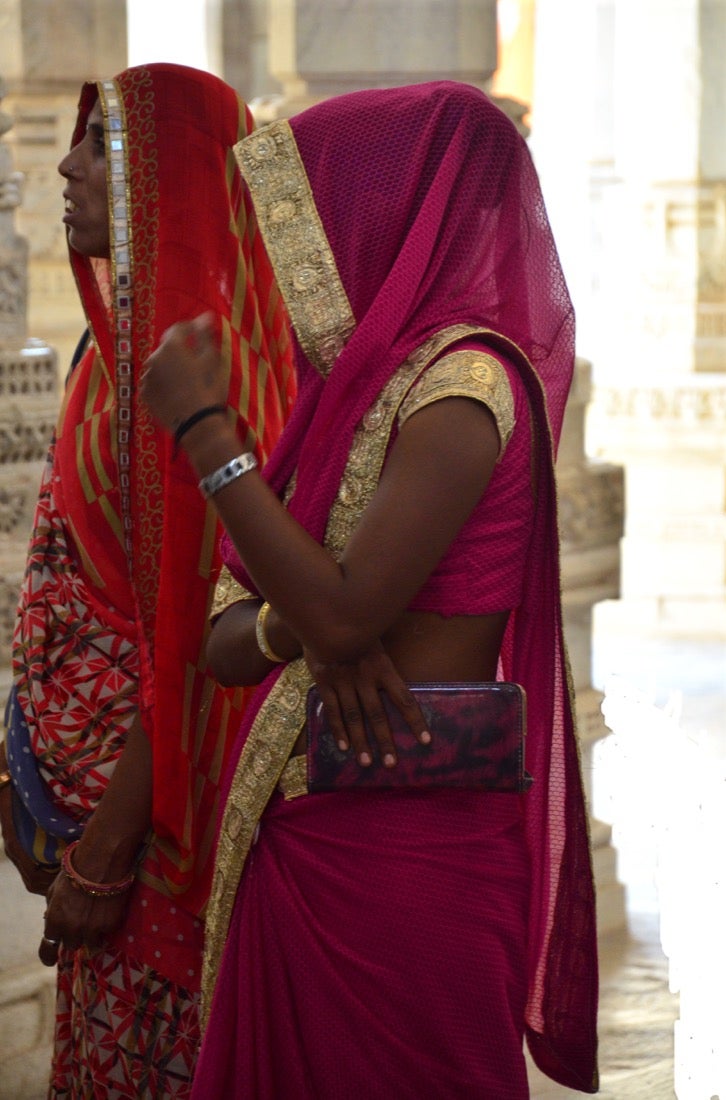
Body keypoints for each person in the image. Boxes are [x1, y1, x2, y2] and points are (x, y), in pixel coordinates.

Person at [141, 81, 599, 1098]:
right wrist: (295, 626)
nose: (294, 261)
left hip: (403, 856)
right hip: (307, 831)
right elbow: (226, 641)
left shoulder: (463, 390)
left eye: (315, 219)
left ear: (388, 215)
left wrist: (208, 435)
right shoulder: (350, 394)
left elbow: (344, 610)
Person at [0, 63, 294, 1097]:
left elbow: (191, 634)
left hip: (149, 857)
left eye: (101, 150)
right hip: (88, 838)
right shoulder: (108, 350)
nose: (67, 170)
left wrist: (106, 849)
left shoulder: (201, 379)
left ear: (167, 181)